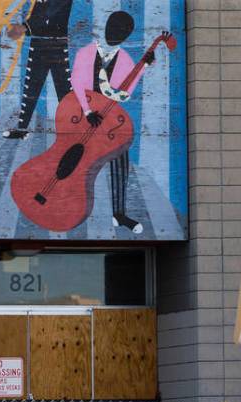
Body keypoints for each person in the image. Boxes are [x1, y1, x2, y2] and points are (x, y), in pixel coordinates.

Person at [70, 10, 154, 234]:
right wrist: (87, 111)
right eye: (113, 29)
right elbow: (77, 83)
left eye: (121, 32)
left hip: (107, 122)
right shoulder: (86, 53)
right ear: (106, 27)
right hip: (80, 116)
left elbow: (124, 94)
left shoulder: (125, 59)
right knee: (78, 160)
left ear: (126, 36)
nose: (115, 34)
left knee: (121, 156)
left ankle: (119, 213)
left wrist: (142, 68)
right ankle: (71, 206)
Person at [3, 0, 76, 140]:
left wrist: (24, 27)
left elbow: (50, 11)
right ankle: (22, 128)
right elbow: (39, 12)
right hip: (39, 42)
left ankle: (73, 131)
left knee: (64, 90)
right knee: (31, 87)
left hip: (57, 44)